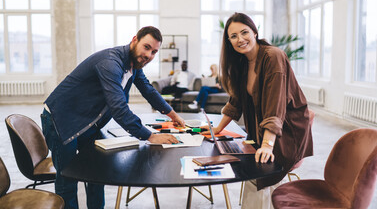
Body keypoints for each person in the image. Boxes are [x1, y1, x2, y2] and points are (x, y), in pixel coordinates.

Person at [40, 26, 185, 209]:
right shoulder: (111, 63)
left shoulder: (133, 64)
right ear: (134, 40)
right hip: (61, 120)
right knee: (67, 179)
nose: (149, 55)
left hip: (86, 121)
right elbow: (119, 109)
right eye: (146, 47)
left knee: (97, 171)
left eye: (154, 51)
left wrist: (173, 115)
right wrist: (150, 136)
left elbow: (148, 90)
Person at [203, 13, 313, 208]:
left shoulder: (273, 56)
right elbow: (236, 101)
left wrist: (268, 144)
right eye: (234, 36)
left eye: (244, 32)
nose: (240, 39)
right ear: (229, 42)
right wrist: (218, 128)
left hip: (286, 132)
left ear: (255, 32)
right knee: (248, 161)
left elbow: (275, 104)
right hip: (267, 129)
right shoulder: (242, 63)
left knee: (261, 167)